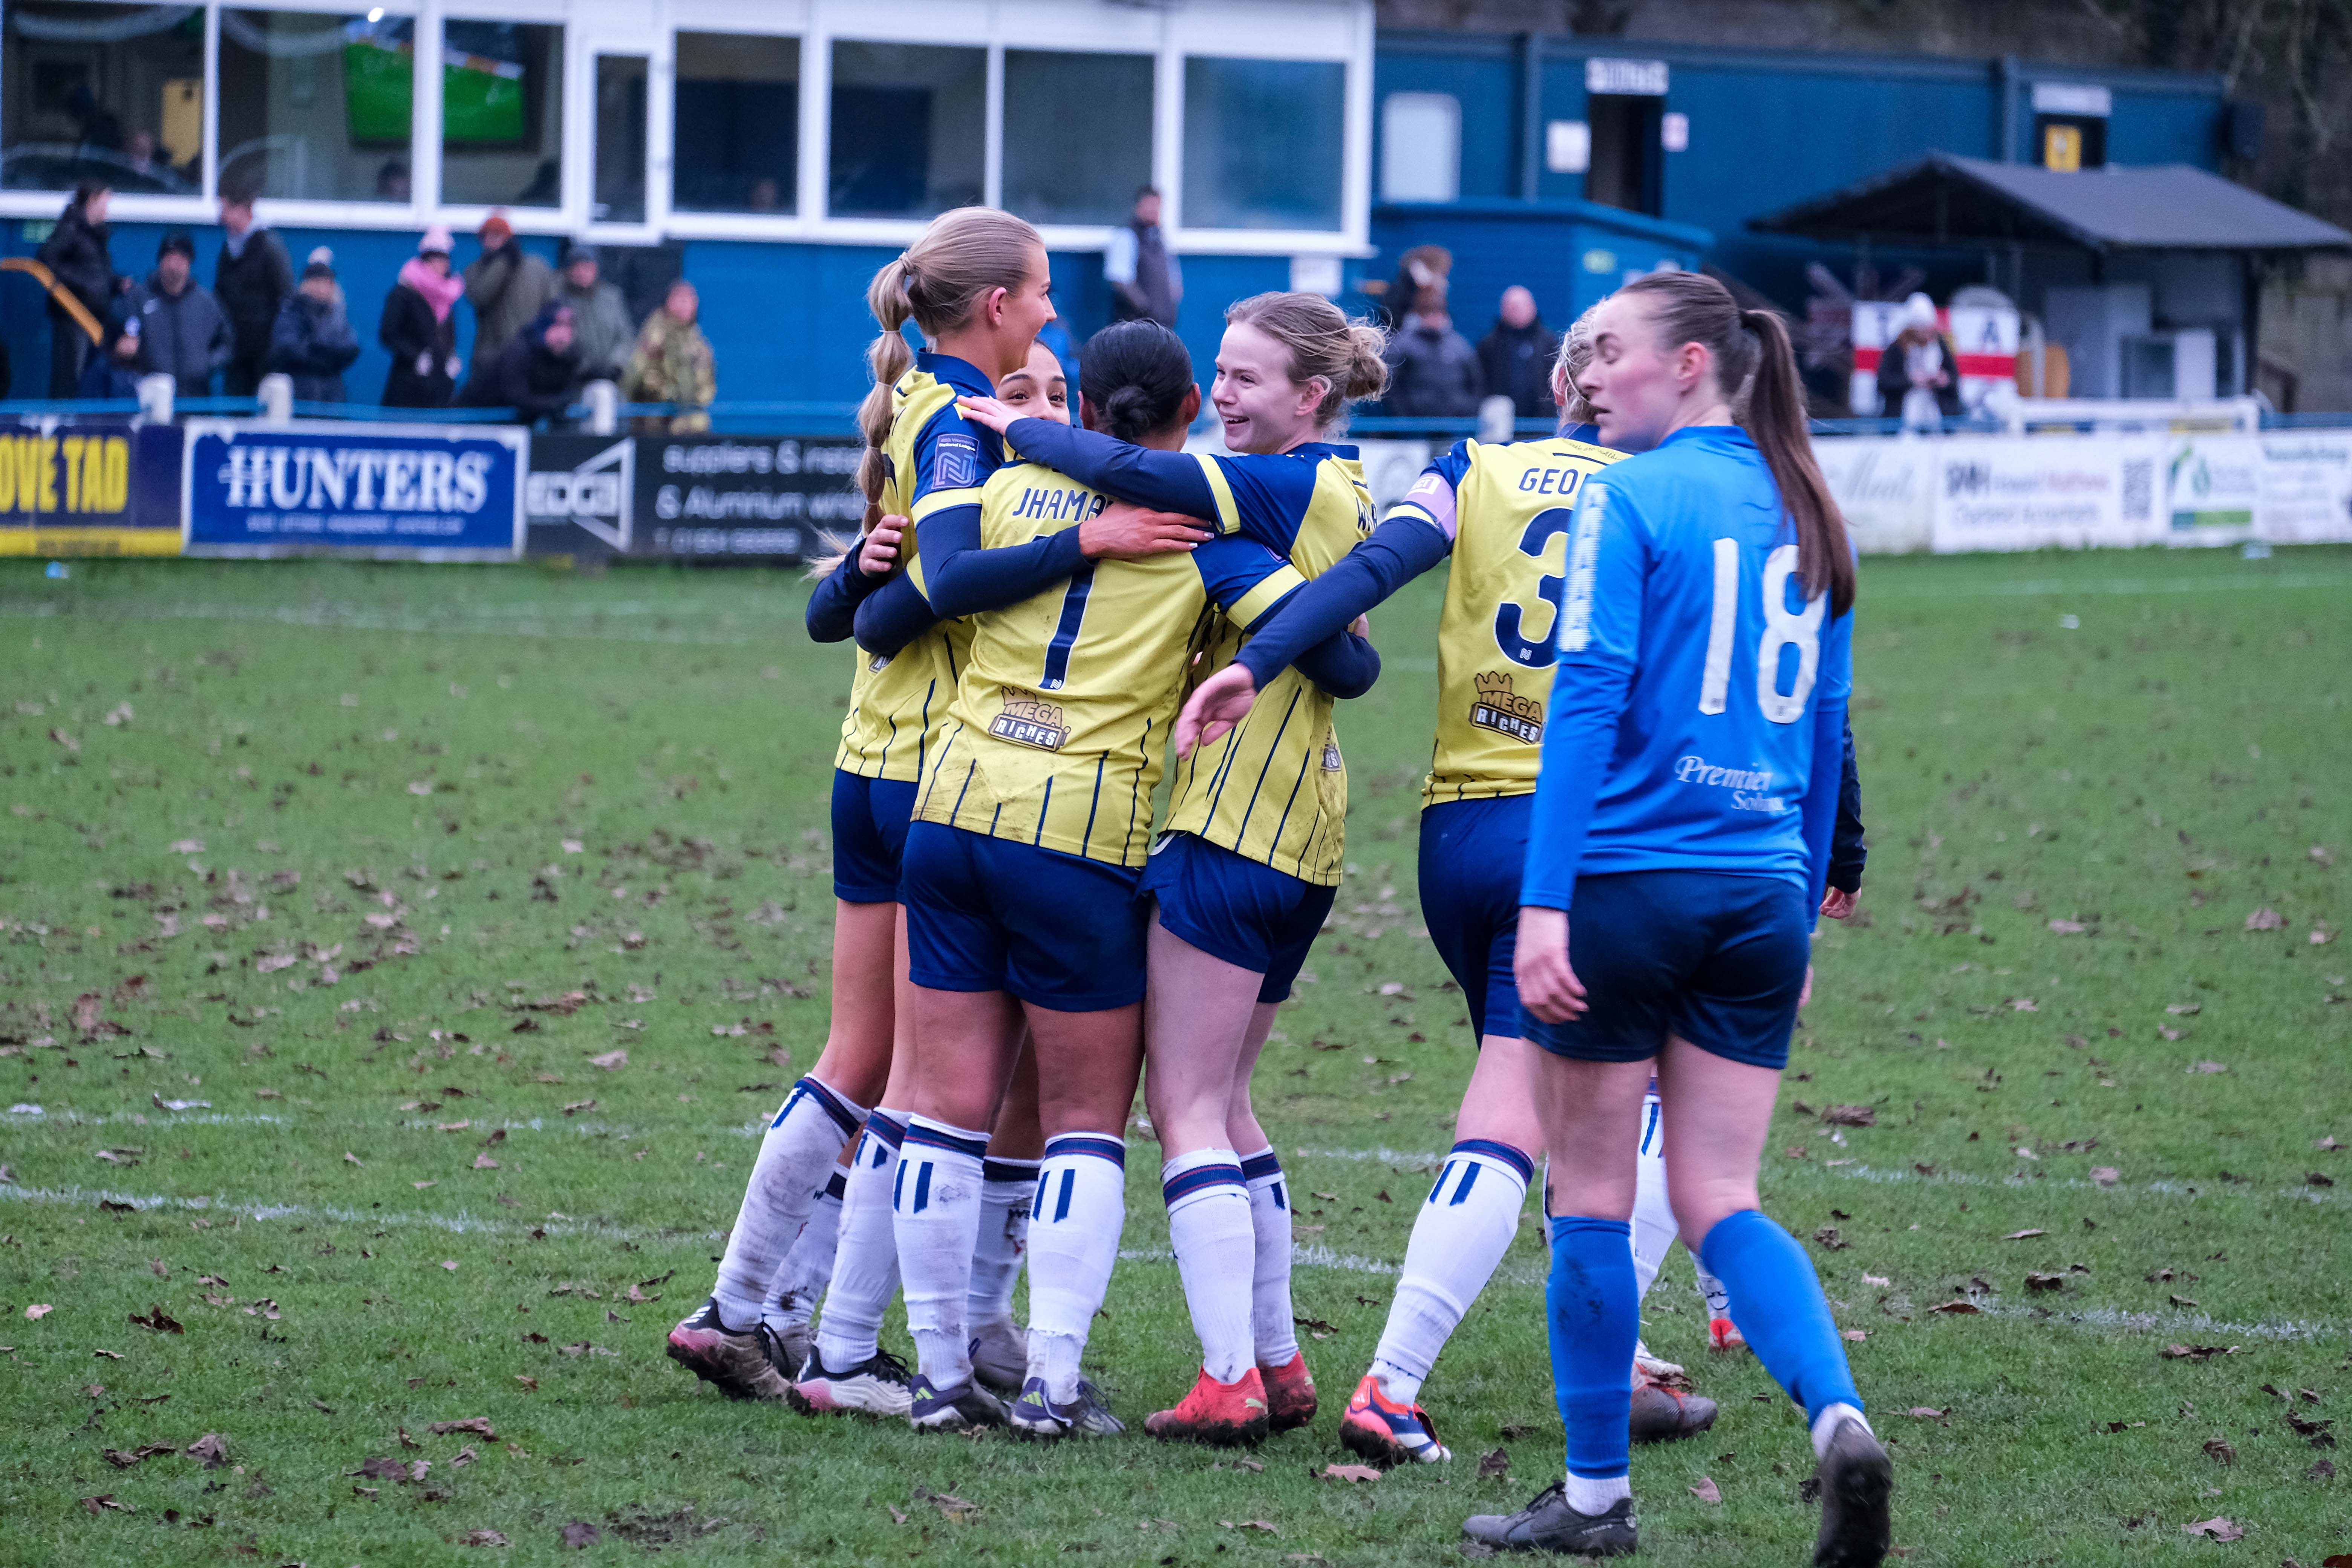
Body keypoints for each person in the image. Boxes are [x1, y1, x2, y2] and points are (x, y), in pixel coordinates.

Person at [1465, 270, 1884, 1562]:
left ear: (1694, 366)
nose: (1591, 379)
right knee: (1720, 1194)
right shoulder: (1808, 510)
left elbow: (1584, 701)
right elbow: (1824, 736)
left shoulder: (1631, 495)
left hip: (1630, 888)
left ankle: (1595, 1503)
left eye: (1615, 357)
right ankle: (1839, 1422)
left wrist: (1542, 905)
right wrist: (1801, 910)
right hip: (1760, 891)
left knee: (1590, 1196)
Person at [954, 290, 1392, 1447]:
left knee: (1181, 1102)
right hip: (1306, 828)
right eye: (1223, 378)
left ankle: (1227, 1378)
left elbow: (1135, 477)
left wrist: (1017, 429)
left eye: (1252, 379)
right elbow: (1354, 670)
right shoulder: (1332, 490)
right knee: (1230, 1101)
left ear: (1313, 395)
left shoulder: (1261, 491)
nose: (1231, 399)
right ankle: (1279, 1358)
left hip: (1226, 824)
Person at [667, 335, 1082, 1413]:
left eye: (1053, 392)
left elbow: (838, 613)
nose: (1032, 405)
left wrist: (863, 576)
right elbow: (873, 613)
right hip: (933, 791)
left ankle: (763, 1312)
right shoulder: (982, 491)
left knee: (873, 1065)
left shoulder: (960, 467)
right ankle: (818, 1333)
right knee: (911, 1084)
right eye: (1018, 386)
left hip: (875, 772)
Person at [213, 188, 294, 398]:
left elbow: (286, 296)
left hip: (265, 351)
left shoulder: (269, 246)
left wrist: (276, 345)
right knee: (236, 408)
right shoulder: (228, 249)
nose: (221, 217)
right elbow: (220, 295)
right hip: (236, 348)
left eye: (226, 209)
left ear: (244, 209)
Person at [38, 182, 116, 398]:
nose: (108, 209)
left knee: (86, 380)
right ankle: (61, 426)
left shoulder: (96, 236)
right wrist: (82, 284)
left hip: (94, 320)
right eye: (105, 202)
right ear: (92, 200)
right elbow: (46, 259)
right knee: (69, 379)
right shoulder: (71, 228)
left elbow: (96, 275)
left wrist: (115, 284)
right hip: (73, 317)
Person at [134, 231, 232, 399]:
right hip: (152, 399)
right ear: (161, 261)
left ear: (189, 263)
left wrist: (205, 364)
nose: (174, 265)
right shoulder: (140, 298)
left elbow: (227, 344)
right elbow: (121, 340)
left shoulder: (206, 303)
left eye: (180, 258)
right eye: (169, 257)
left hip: (196, 400)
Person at [463, 212, 557, 378]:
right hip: (491, 356)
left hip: (530, 355)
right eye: (488, 235)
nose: (493, 240)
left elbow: (552, 307)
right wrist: (502, 263)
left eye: (499, 235)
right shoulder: (474, 271)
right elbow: (480, 297)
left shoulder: (537, 267)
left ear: (510, 238)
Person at [379, 228, 464, 409]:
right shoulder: (403, 293)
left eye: (443, 260)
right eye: (434, 259)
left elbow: (446, 333)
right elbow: (388, 334)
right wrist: (415, 357)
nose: (439, 265)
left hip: (440, 386)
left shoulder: (448, 296)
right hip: (408, 387)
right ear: (425, 261)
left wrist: (452, 356)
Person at [457, 300, 581, 423]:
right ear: (543, 327)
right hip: (472, 421)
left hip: (511, 427)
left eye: (568, 328)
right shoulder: (520, 351)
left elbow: (567, 394)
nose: (562, 336)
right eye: (556, 326)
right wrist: (554, 405)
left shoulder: (569, 358)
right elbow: (517, 397)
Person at [267, 249, 360, 404]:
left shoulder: (336, 315)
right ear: (305, 284)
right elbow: (287, 346)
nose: (322, 288)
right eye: (317, 282)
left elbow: (350, 347)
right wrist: (323, 354)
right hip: (300, 392)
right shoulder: (292, 310)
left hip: (332, 394)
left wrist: (318, 351)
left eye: (327, 283)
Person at [623, 280, 717, 433]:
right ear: (669, 302)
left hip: (687, 412)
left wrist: (697, 400)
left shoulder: (699, 343)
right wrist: (670, 395)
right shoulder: (655, 335)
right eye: (679, 299)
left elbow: (707, 385)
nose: (684, 306)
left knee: (699, 422)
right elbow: (645, 379)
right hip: (655, 412)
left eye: (689, 301)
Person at [1383, 284, 1484, 420]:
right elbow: (1391, 385)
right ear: (1418, 314)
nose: (1433, 317)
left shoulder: (1459, 346)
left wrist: (1466, 410)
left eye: (1437, 312)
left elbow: (1476, 382)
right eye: (1427, 312)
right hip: (1413, 428)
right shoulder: (1402, 346)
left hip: (1454, 424)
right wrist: (1405, 416)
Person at [556, 242, 634, 390]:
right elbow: (559, 341)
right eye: (577, 267)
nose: (582, 272)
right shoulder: (559, 300)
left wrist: (615, 366)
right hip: (572, 383)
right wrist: (585, 369)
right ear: (569, 270)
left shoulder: (612, 298)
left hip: (613, 380)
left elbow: (626, 337)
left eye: (588, 267)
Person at [1478, 285, 1561, 421]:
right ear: (1502, 310)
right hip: (1502, 423)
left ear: (1533, 308)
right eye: (1512, 308)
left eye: (1520, 307)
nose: (1517, 312)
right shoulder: (1488, 345)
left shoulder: (1550, 343)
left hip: (1543, 422)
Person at [1879, 292, 1958, 431]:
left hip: (1936, 418)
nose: (1924, 333)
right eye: (1920, 329)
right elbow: (1883, 383)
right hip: (1903, 418)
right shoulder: (1897, 349)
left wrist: (1943, 380)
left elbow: (1954, 379)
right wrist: (1911, 380)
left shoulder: (1940, 346)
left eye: (1927, 328)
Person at [1105, 185, 1181, 329]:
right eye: (1150, 205)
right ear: (1138, 206)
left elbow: (1173, 279)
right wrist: (1146, 308)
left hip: (1162, 326)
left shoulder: (1159, 239)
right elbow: (1120, 280)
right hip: (1134, 326)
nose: (1155, 211)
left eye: (1157, 206)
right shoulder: (1126, 236)